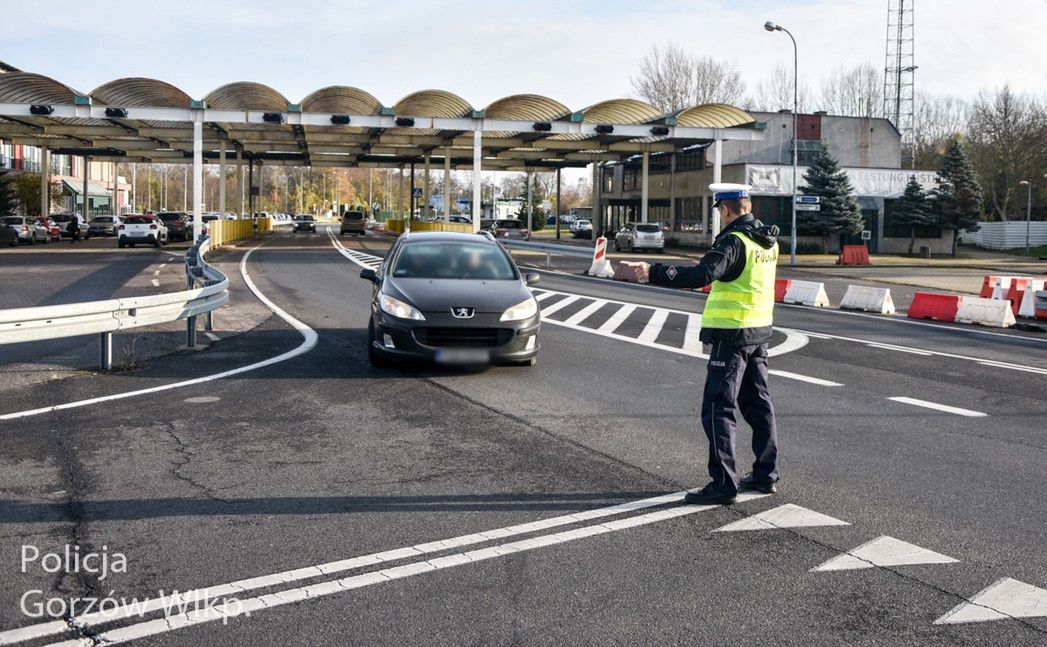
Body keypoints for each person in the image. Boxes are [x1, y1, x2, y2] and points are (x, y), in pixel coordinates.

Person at [620, 183, 781, 505]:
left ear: (724, 210)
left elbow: (703, 276)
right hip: (759, 331)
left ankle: (723, 484)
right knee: (758, 406)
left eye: (719, 211)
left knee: (717, 408)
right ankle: (765, 475)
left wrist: (653, 271)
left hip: (732, 335)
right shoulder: (766, 240)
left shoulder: (735, 240)